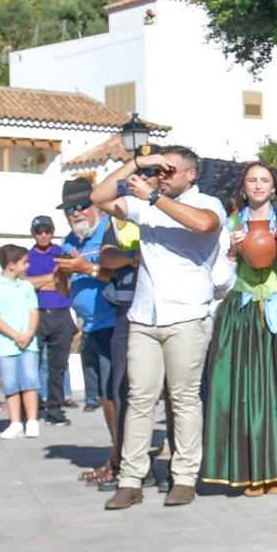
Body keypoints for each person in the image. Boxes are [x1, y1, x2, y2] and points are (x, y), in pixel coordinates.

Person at [91, 145, 226, 511]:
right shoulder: (146, 204)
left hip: (186, 315)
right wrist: (138, 163)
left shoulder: (208, 203)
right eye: (161, 171)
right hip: (144, 316)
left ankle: (183, 477)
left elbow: (203, 225)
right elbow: (98, 197)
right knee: (139, 397)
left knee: (183, 398)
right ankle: (131, 479)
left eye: (171, 171)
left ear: (190, 175)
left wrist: (152, 194)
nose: (163, 176)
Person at [200, 162, 277, 495]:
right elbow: (220, 277)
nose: (258, 185)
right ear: (243, 186)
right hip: (242, 311)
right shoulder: (231, 222)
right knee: (244, 395)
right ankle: (248, 468)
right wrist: (233, 253)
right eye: (252, 180)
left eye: (264, 180)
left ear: (273, 186)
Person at [54, 179, 128, 484]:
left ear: (96, 204)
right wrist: (61, 274)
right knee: (103, 396)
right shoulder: (70, 241)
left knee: (117, 395)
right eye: (69, 209)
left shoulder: (111, 230)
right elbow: (62, 289)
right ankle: (116, 455)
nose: (75, 214)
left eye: (80, 206)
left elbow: (122, 272)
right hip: (90, 328)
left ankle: (120, 460)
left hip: (115, 322)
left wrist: (87, 269)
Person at [0, 244, 41, 439]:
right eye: (24, 262)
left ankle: (31, 420)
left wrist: (29, 333)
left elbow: (34, 311)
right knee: (10, 383)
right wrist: (15, 335)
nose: (28, 265)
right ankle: (15, 421)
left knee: (30, 380)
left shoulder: (26, 286)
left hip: (28, 342)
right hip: (4, 345)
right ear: (11, 265)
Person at [23, 215, 76, 426]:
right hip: (37, 313)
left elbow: (67, 282)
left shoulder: (61, 253)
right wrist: (50, 279)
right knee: (32, 364)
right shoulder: (27, 256)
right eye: (39, 231)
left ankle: (55, 408)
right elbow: (24, 283)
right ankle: (32, 407)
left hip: (61, 312)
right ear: (33, 233)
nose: (43, 235)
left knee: (58, 365)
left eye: (47, 231)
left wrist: (40, 282)